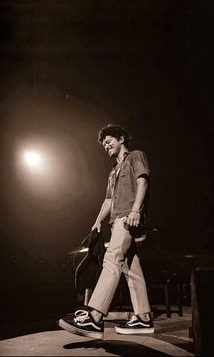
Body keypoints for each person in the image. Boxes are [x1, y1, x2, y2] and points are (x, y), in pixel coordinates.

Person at [59, 124, 154, 339]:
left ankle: (95, 317)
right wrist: (97, 221)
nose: (106, 146)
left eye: (108, 141)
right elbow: (108, 200)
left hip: (128, 218)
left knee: (111, 260)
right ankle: (144, 317)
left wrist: (135, 210)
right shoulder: (112, 172)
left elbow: (142, 182)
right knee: (131, 268)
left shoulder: (135, 156)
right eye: (103, 144)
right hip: (116, 221)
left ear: (121, 138)